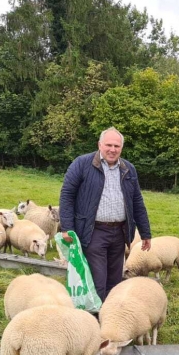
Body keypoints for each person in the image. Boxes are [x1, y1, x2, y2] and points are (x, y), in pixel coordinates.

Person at [59, 127, 151, 301]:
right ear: (100, 145)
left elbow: (137, 201)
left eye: (116, 146)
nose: (112, 149)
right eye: (108, 145)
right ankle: (94, 322)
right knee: (97, 280)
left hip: (119, 233)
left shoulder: (128, 169)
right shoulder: (82, 164)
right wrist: (67, 227)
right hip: (93, 231)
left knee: (115, 281)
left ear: (121, 148)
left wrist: (145, 233)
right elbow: (67, 195)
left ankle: (110, 319)